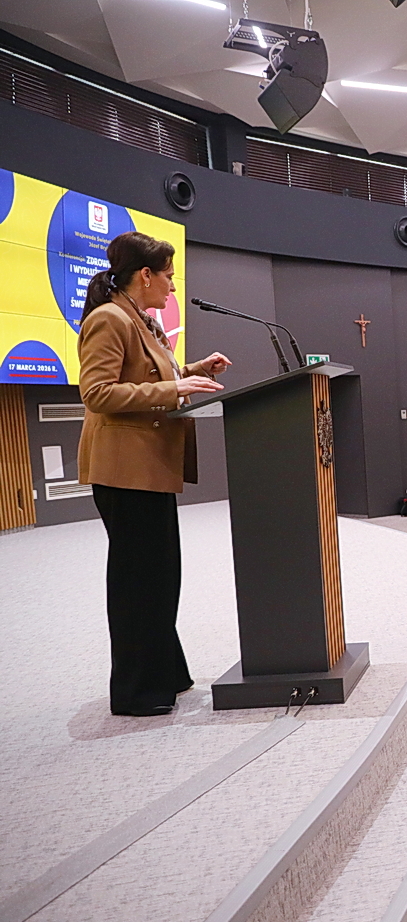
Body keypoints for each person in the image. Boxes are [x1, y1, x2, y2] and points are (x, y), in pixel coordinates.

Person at [76, 232, 232, 716]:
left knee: (160, 577)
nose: (172, 286)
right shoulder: (109, 319)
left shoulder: (139, 319)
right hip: (124, 469)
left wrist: (193, 370)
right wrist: (174, 389)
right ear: (145, 275)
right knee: (137, 581)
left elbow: (148, 374)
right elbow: (97, 392)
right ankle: (135, 691)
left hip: (149, 467)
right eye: (168, 276)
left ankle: (164, 674)